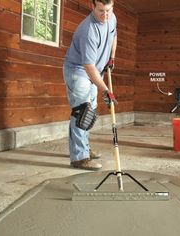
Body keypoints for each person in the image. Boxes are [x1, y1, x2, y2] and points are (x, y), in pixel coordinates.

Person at [63, 0, 117, 171]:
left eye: (108, 10)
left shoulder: (112, 18)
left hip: (96, 71)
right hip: (79, 71)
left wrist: (112, 57)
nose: (105, 15)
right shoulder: (88, 30)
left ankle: (84, 146)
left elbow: (114, 35)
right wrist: (106, 90)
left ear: (112, 6)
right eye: (101, 11)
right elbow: (88, 66)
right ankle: (79, 157)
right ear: (92, 6)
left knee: (90, 112)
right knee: (82, 112)